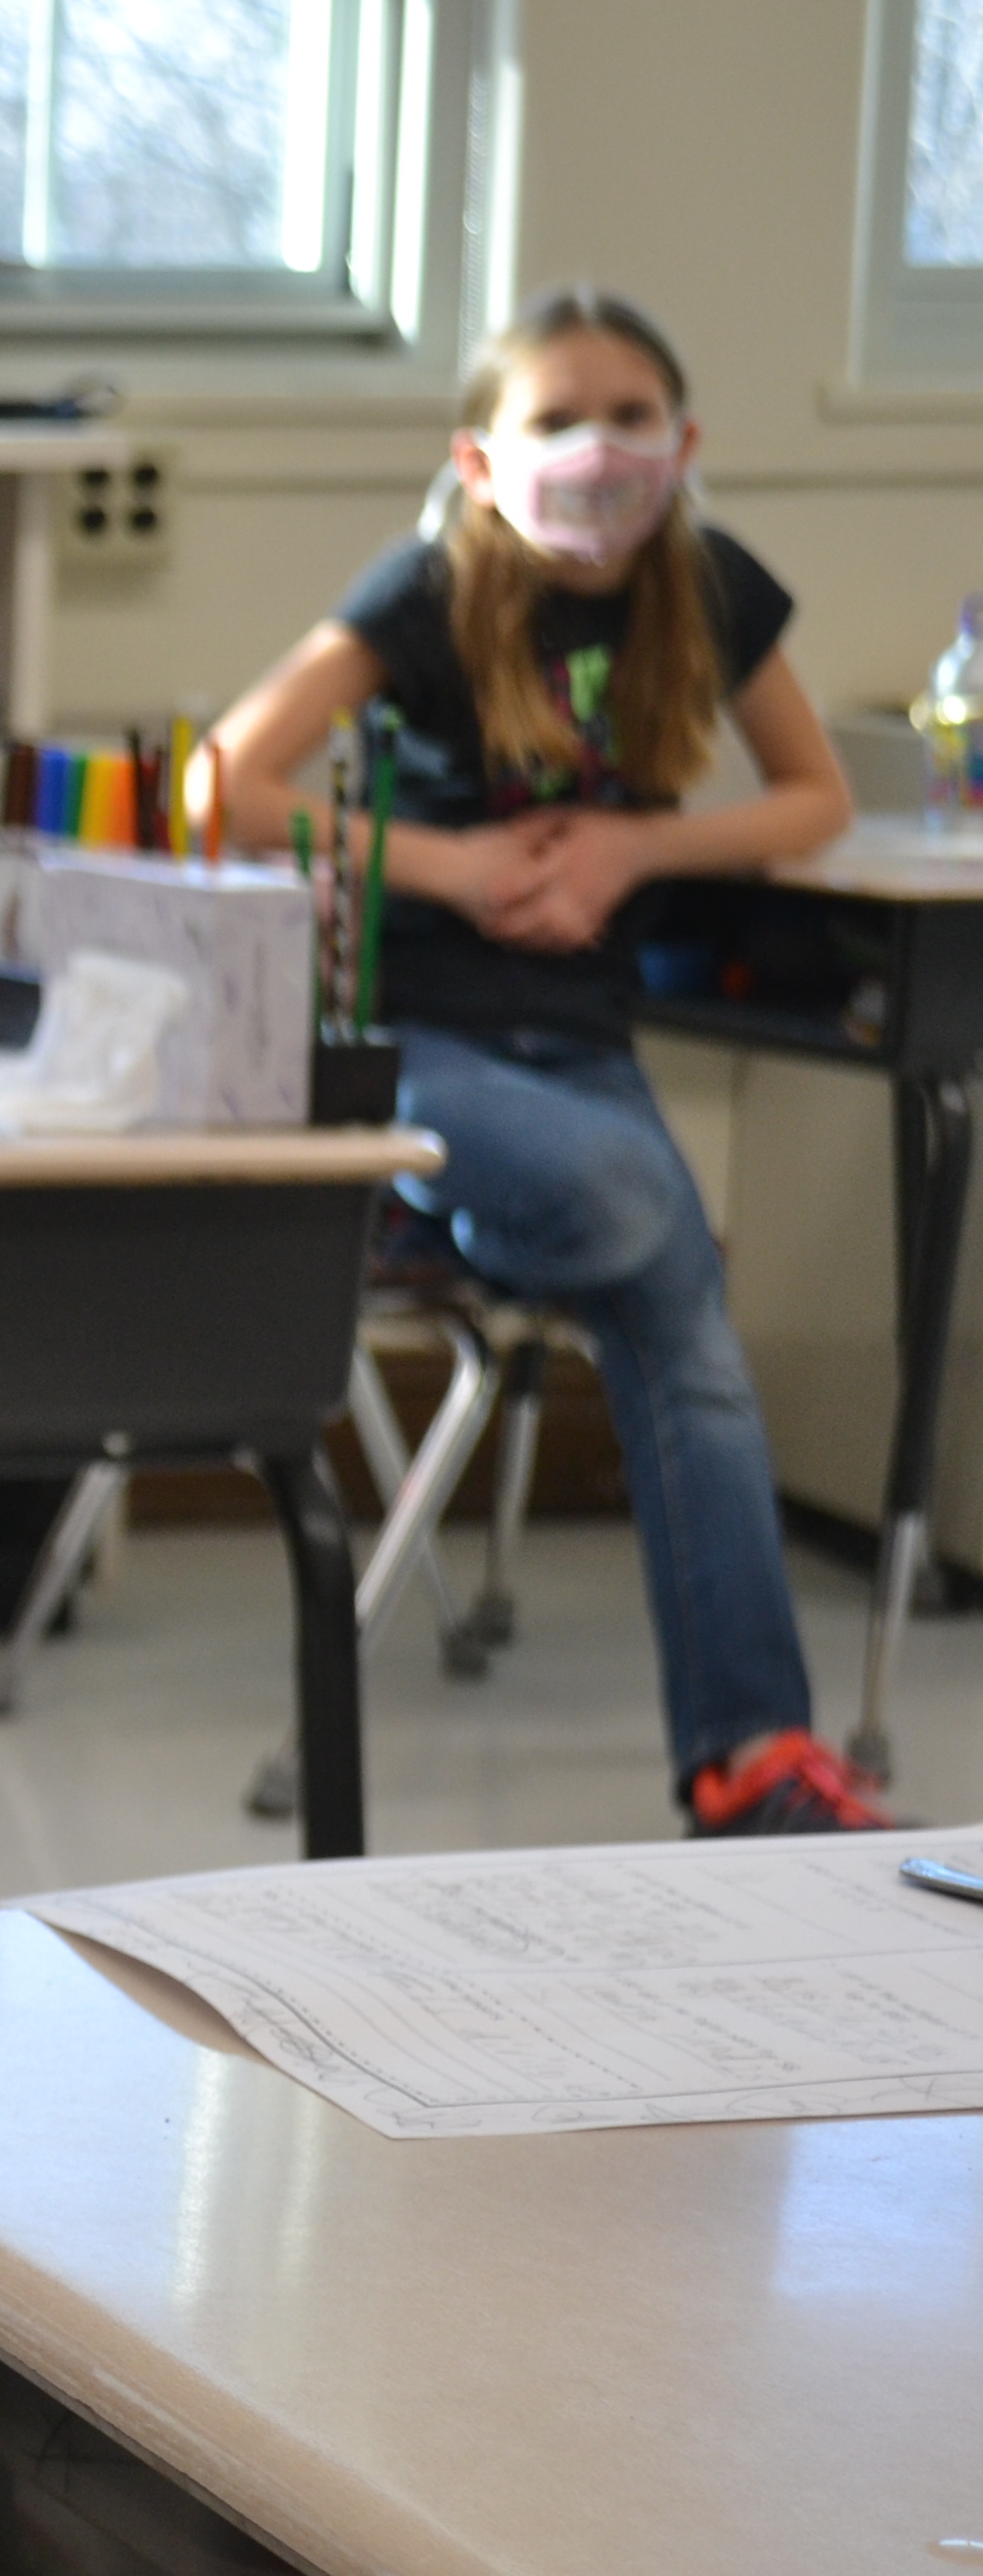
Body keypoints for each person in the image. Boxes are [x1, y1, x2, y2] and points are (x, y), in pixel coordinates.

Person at [212, 286, 878, 1837]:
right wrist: (452, 869)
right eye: (556, 419)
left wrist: (640, 843)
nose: (598, 448)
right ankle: (753, 1763)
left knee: (674, 1314)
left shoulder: (707, 589)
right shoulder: (426, 587)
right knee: (650, 1228)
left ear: (686, 442)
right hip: (414, 1039)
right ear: (481, 454)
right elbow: (231, 776)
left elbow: (812, 799)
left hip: (580, 1042)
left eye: (631, 417)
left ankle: (752, 1764)